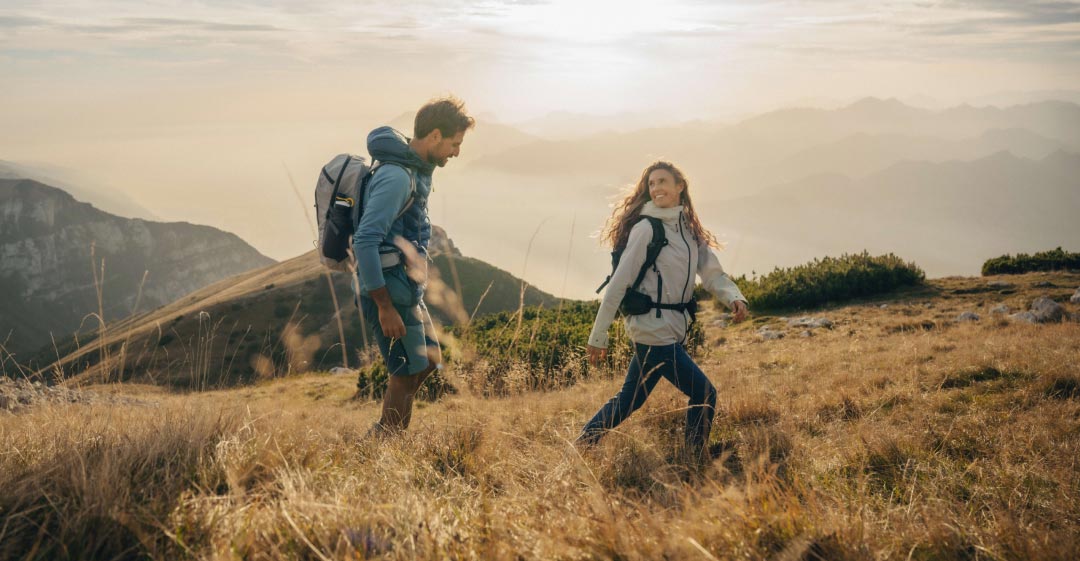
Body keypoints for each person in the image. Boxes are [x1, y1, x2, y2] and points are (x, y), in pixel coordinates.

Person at [579, 160, 749, 458]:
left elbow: (712, 274)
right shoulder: (646, 229)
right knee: (704, 392)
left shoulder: (689, 231)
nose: (656, 188)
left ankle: (583, 444)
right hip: (653, 330)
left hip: (671, 328)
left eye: (662, 182)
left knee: (630, 400)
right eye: (651, 184)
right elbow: (618, 284)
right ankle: (695, 457)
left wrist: (734, 297)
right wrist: (598, 335)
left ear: (679, 186)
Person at [353, 96, 474, 434]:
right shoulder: (397, 178)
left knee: (428, 362)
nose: (456, 152)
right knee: (406, 374)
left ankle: (387, 436)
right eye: (454, 143)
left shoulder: (417, 169)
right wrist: (384, 306)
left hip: (405, 287)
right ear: (435, 136)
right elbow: (365, 241)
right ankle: (385, 446)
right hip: (387, 289)